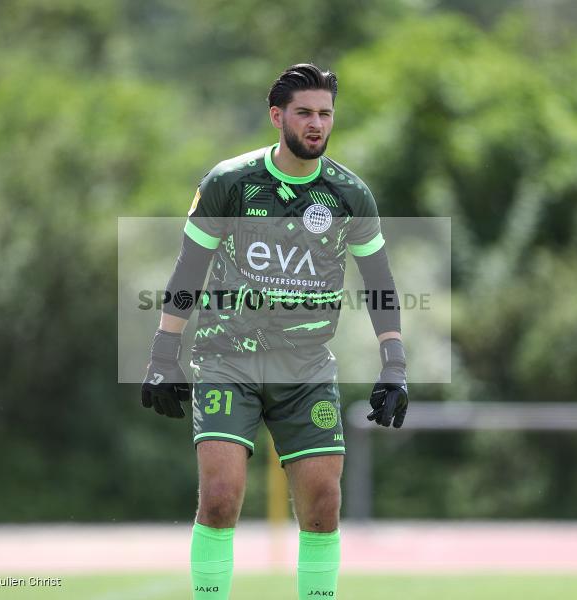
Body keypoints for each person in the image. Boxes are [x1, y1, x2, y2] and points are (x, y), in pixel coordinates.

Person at [140, 63, 408, 600]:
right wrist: (163, 353)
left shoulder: (350, 195)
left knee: (324, 504)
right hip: (226, 360)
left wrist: (394, 364)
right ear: (277, 116)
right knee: (219, 496)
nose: (316, 124)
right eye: (305, 113)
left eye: (325, 114)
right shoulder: (229, 184)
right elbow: (189, 271)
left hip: (306, 368)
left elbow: (379, 282)